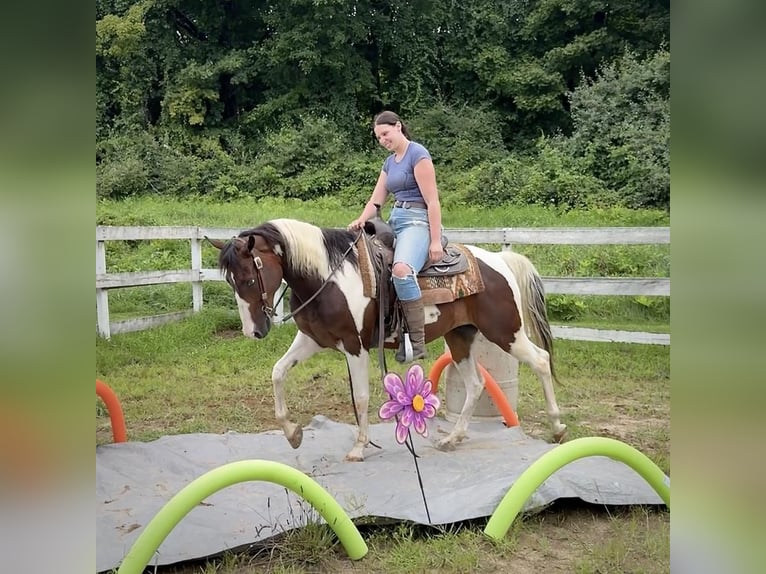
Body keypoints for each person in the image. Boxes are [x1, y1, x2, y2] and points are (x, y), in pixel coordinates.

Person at [349, 111, 444, 362]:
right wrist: (361, 219)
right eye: (379, 137)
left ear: (398, 126)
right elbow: (377, 199)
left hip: (417, 221)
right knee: (365, 263)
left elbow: (433, 201)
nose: (382, 140)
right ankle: (382, 326)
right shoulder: (390, 162)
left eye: (385, 133)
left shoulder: (418, 154)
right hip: (393, 220)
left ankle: (416, 342)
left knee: (401, 270)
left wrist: (435, 240)